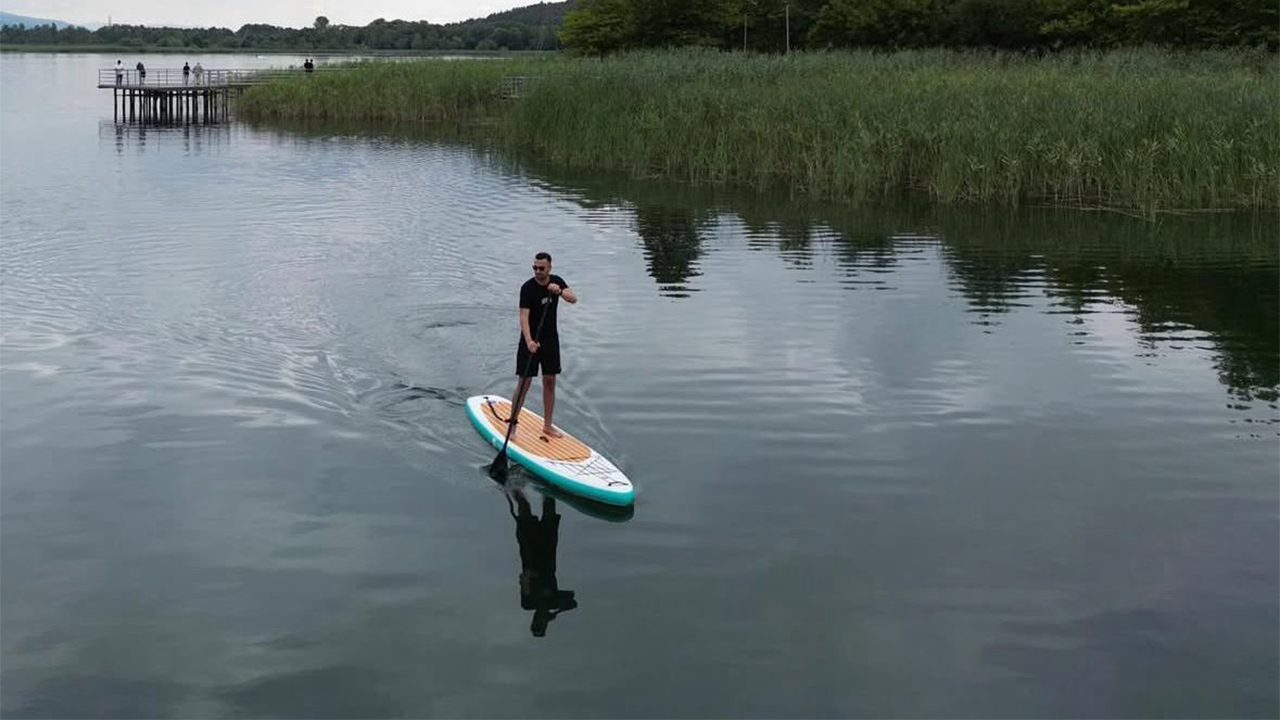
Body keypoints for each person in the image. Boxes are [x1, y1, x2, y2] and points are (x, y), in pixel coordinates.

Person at [513, 252, 577, 438]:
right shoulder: (527, 288)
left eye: (541, 268)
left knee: (549, 382)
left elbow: (573, 298)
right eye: (535, 267)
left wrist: (559, 291)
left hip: (550, 341)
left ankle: (547, 426)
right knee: (524, 383)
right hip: (530, 340)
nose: (537, 271)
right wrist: (529, 342)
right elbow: (523, 318)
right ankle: (513, 424)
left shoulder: (556, 281)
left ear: (549, 268)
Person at [508, 489, 576, 637]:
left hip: (529, 550)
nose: (539, 619)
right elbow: (573, 600)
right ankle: (547, 485)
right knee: (549, 506)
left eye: (537, 622)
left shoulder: (528, 603)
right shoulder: (553, 603)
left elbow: (524, 577)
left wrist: (531, 577)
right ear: (546, 623)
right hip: (548, 550)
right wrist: (556, 613)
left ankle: (512, 483)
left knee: (523, 505)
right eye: (542, 623)